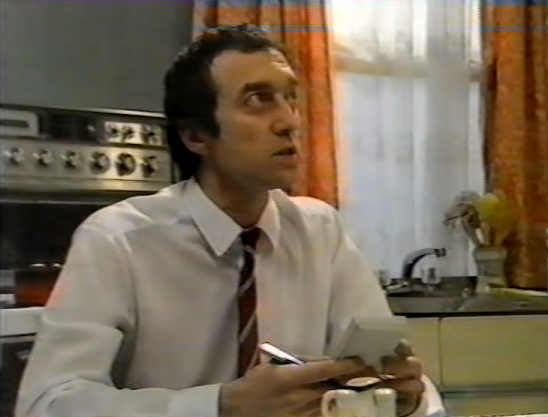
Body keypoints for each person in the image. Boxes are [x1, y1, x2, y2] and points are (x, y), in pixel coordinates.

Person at [16, 24, 445, 417]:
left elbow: (391, 375)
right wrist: (219, 406)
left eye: (290, 97)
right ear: (195, 136)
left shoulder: (320, 231)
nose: (289, 121)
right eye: (258, 100)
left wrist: (407, 399)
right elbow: (48, 403)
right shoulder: (117, 240)